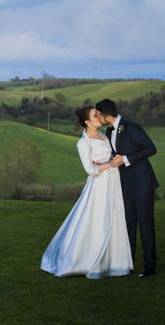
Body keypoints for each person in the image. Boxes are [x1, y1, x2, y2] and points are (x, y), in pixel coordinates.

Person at [41, 106, 133, 278]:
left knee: (115, 216)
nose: (99, 116)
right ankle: (84, 260)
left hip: (113, 180)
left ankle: (115, 261)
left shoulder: (104, 135)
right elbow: (90, 169)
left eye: (98, 113)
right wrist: (110, 164)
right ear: (88, 122)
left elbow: (108, 156)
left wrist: (115, 159)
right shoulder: (83, 143)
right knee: (98, 218)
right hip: (100, 184)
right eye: (95, 115)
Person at [94, 98, 159, 278]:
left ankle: (149, 267)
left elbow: (150, 149)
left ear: (106, 115)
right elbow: (115, 154)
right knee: (127, 224)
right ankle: (127, 263)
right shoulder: (109, 130)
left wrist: (126, 159)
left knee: (145, 225)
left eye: (98, 114)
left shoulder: (131, 126)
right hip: (125, 184)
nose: (97, 117)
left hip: (143, 183)